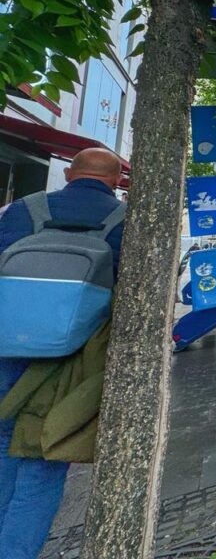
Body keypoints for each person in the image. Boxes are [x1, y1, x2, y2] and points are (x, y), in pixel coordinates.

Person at [0, 148, 124, 559]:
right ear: (118, 179)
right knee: (42, 456)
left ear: (70, 173)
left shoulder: (22, 210)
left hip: (8, 346)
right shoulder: (122, 222)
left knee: (2, 439)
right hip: (70, 358)